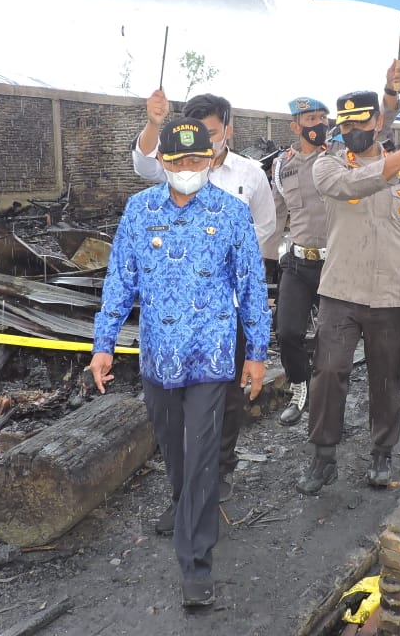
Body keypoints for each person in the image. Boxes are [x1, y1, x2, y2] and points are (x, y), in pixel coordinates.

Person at [89, 117, 271, 608]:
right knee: (174, 452)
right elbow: (120, 282)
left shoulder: (231, 214)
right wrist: (103, 343)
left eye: (196, 160)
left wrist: (256, 353)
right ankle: (185, 505)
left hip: (212, 358)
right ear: (162, 163)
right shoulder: (139, 210)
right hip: (158, 360)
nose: (188, 168)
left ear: (210, 159)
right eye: (178, 161)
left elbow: (252, 288)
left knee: (203, 457)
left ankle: (196, 564)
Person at [296, 89, 400, 495]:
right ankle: (323, 456)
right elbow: (349, 187)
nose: (354, 130)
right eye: (346, 124)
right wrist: (395, 161)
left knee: (386, 378)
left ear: (378, 121)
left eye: (362, 122)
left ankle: (382, 453)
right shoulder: (328, 166)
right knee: (328, 371)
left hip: (390, 294)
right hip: (341, 290)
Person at [135, 90, 276, 513]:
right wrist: (155, 124)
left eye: (210, 134)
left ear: (227, 129)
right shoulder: (174, 164)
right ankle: (184, 484)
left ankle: (220, 467)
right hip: (175, 309)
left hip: (225, 306)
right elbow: (143, 164)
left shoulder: (249, 174)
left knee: (228, 395)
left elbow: (266, 226)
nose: (203, 143)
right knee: (175, 396)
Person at [266, 96, 332, 426]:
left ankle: (328, 398)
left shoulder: (338, 157)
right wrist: (264, 260)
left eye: (323, 118)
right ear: (296, 126)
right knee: (287, 331)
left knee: (331, 337)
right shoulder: (281, 165)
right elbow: (277, 217)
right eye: (311, 120)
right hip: (296, 261)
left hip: (335, 263)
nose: (319, 125)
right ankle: (300, 386)